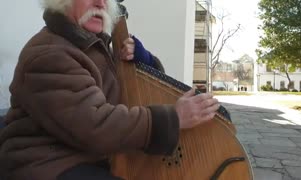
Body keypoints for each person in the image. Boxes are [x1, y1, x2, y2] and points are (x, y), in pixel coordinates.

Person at [0, 0, 221, 179]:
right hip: (48, 163)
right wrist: (175, 118)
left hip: (91, 154)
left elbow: (136, 91)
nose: (100, 2)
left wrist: (142, 60)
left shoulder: (95, 47)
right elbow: (94, 125)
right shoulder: (49, 53)